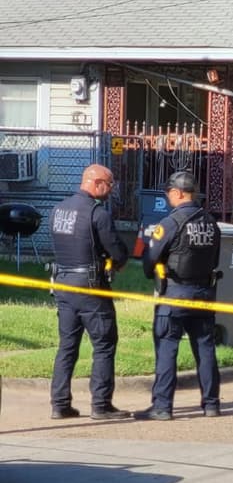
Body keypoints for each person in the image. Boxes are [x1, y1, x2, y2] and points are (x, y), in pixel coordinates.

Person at [135, 171, 223, 421]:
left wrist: (152, 271)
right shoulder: (211, 223)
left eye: (169, 193)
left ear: (178, 193)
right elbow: (215, 259)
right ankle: (211, 404)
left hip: (174, 294)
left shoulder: (170, 223)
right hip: (204, 293)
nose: (168, 197)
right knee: (205, 348)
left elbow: (150, 260)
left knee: (167, 348)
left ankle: (162, 406)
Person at [48, 164, 132, 420]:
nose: (111, 189)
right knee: (104, 344)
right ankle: (101, 405)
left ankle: (60, 404)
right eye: (109, 184)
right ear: (96, 183)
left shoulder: (58, 210)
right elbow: (117, 250)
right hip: (91, 288)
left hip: (63, 284)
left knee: (67, 346)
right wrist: (117, 261)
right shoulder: (98, 214)